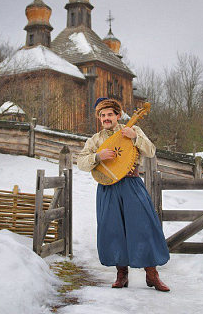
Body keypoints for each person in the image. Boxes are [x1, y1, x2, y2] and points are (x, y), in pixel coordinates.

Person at [77, 97, 170, 291]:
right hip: (108, 187)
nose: (106, 118)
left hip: (131, 184)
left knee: (144, 227)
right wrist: (97, 156)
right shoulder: (95, 140)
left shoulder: (132, 130)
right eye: (102, 115)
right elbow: (81, 162)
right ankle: (122, 275)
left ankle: (152, 275)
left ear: (118, 115)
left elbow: (151, 151)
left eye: (109, 114)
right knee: (113, 230)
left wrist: (134, 137)